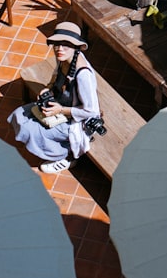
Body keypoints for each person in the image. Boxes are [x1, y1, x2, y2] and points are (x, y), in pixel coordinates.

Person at [8, 22, 99, 173]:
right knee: (19, 114)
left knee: (34, 131)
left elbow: (91, 111)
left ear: (76, 46)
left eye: (65, 45)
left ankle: (65, 155)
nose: (59, 49)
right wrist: (48, 89)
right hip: (57, 104)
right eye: (56, 44)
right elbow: (56, 77)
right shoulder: (63, 58)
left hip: (75, 118)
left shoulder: (83, 74)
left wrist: (61, 110)